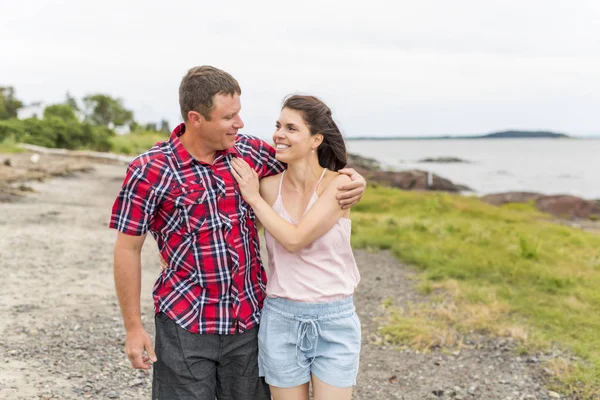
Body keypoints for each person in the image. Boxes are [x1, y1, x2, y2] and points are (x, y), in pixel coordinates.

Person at [109, 66, 366, 399]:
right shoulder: (150, 170)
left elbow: (307, 173)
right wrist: (133, 328)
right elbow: (127, 248)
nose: (240, 123)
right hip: (185, 320)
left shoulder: (251, 153)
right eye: (229, 117)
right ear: (196, 118)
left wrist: (356, 181)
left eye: (239, 113)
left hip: (249, 323)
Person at [230, 94, 361, 400]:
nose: (278, 134)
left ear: (316, 139)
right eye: (278, 125)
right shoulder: (267, 186)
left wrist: (252, 199)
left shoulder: (339, 184)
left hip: (334, 321)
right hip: (281, 319)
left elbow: (294, 239)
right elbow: (236, 232)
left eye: (291, 128)